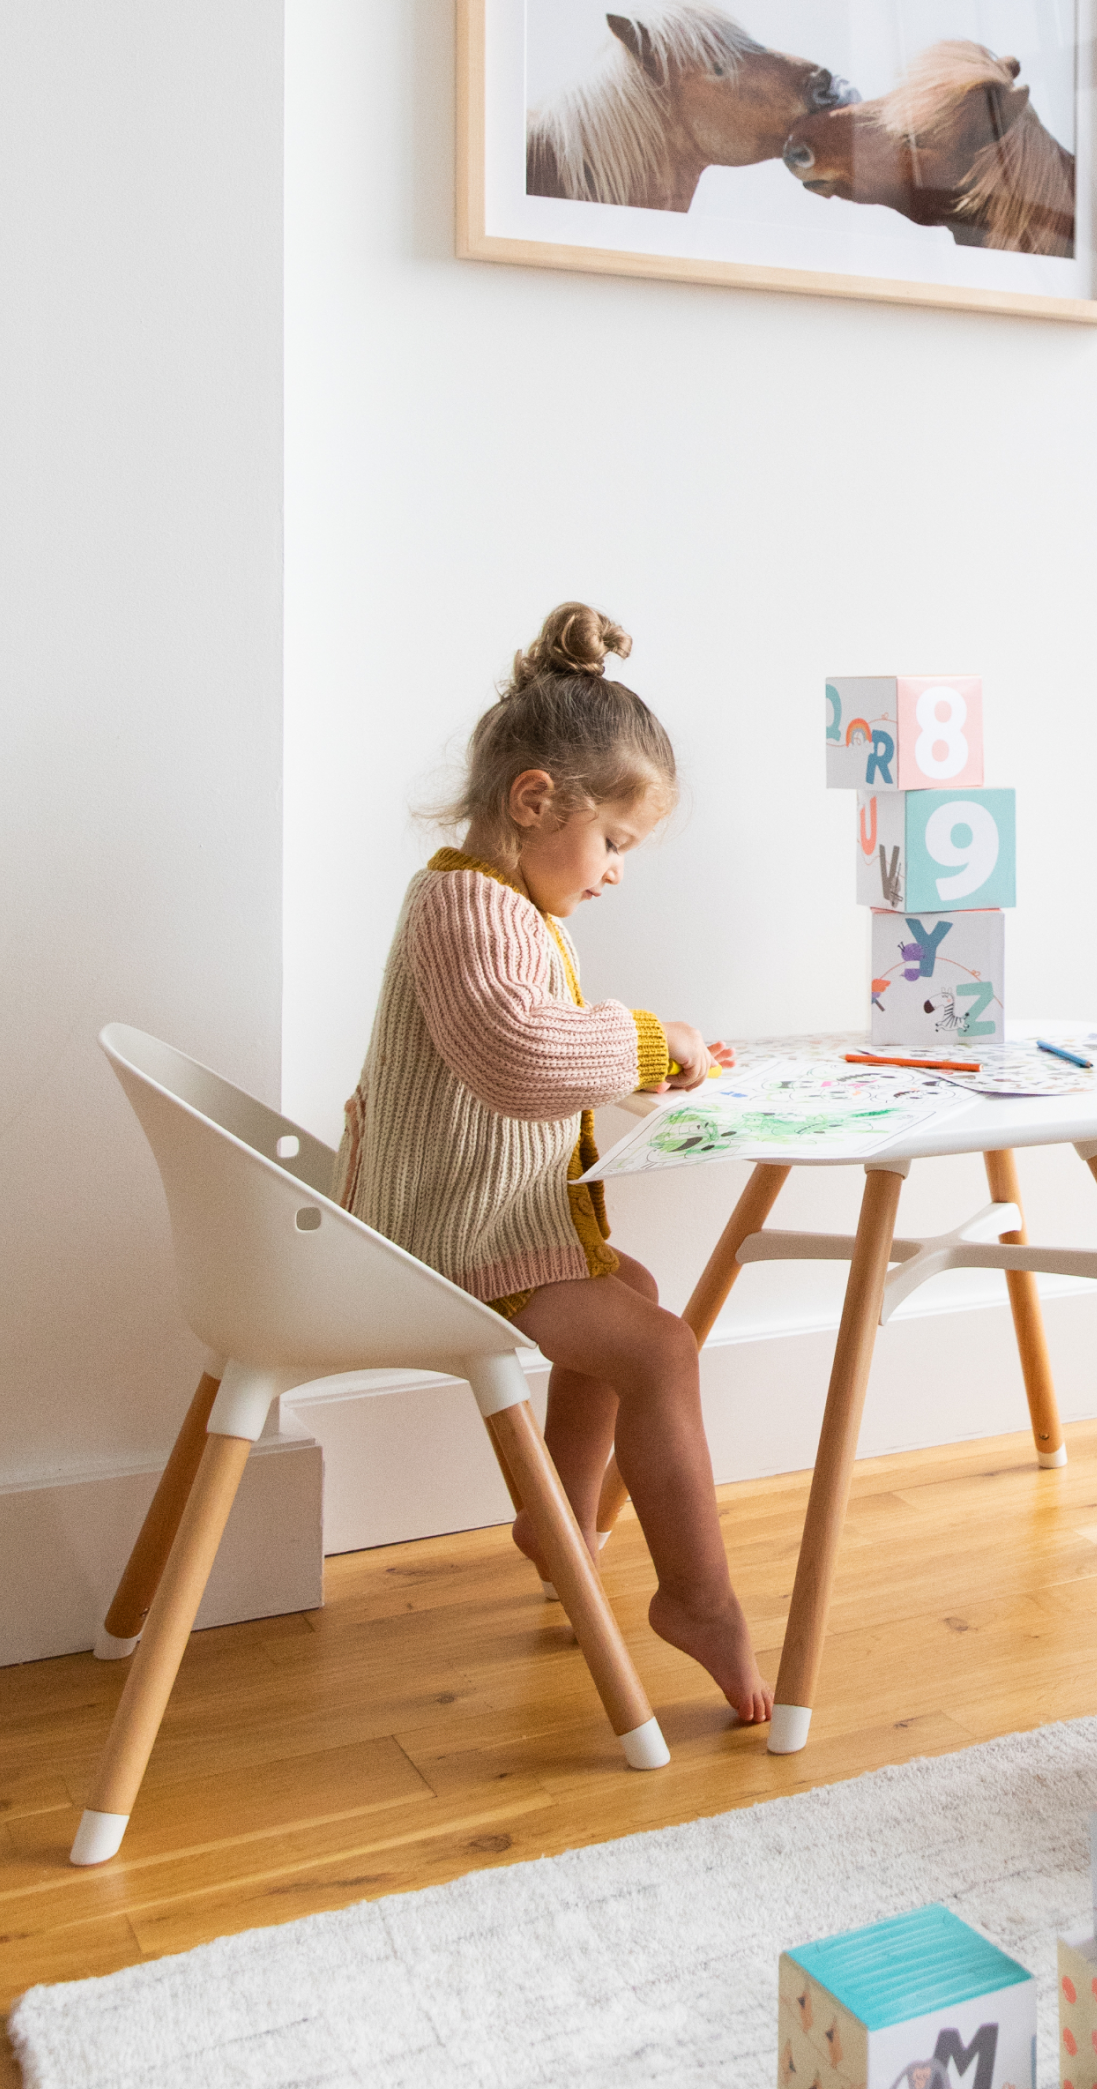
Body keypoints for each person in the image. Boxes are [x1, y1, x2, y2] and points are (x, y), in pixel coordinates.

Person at [336, 601, 769, 1723]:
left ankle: (558, 1519)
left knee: (630, 1296)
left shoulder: (500, 906)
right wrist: (641, 1035)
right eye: (615, 842)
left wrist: (654, 1068)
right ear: (536, 800)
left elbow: (526, 1049)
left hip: (478, 1220)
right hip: (445, 1237)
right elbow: (519, 1056)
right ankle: (699, 1598)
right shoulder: (466, 906)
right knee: (662, 1350)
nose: (618, 871)